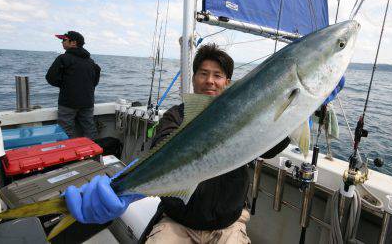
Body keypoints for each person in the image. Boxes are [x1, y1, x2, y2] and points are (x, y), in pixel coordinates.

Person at [64, 44, 344, 243]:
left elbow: (269, 145)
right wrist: (125, 185)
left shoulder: (249, 116)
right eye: (203, 73)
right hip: (177, 222)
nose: (210, 80)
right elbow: (163, 148)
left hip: (229, 225)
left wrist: (305, 108)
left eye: (218, 75)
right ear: (194, 78)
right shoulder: (177, 115)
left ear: (228, 82)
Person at [46, 31, 101, 139]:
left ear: (73, 43)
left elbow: (50, 78)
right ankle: (92, 153)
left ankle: (68, 154)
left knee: (65, 130)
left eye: (64, 40)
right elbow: (95, 82)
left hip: (68, 102)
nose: (62, 42)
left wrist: (66, 86)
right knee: (89, 129)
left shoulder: (63, 58)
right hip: (87, 102)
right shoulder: (91, 62)